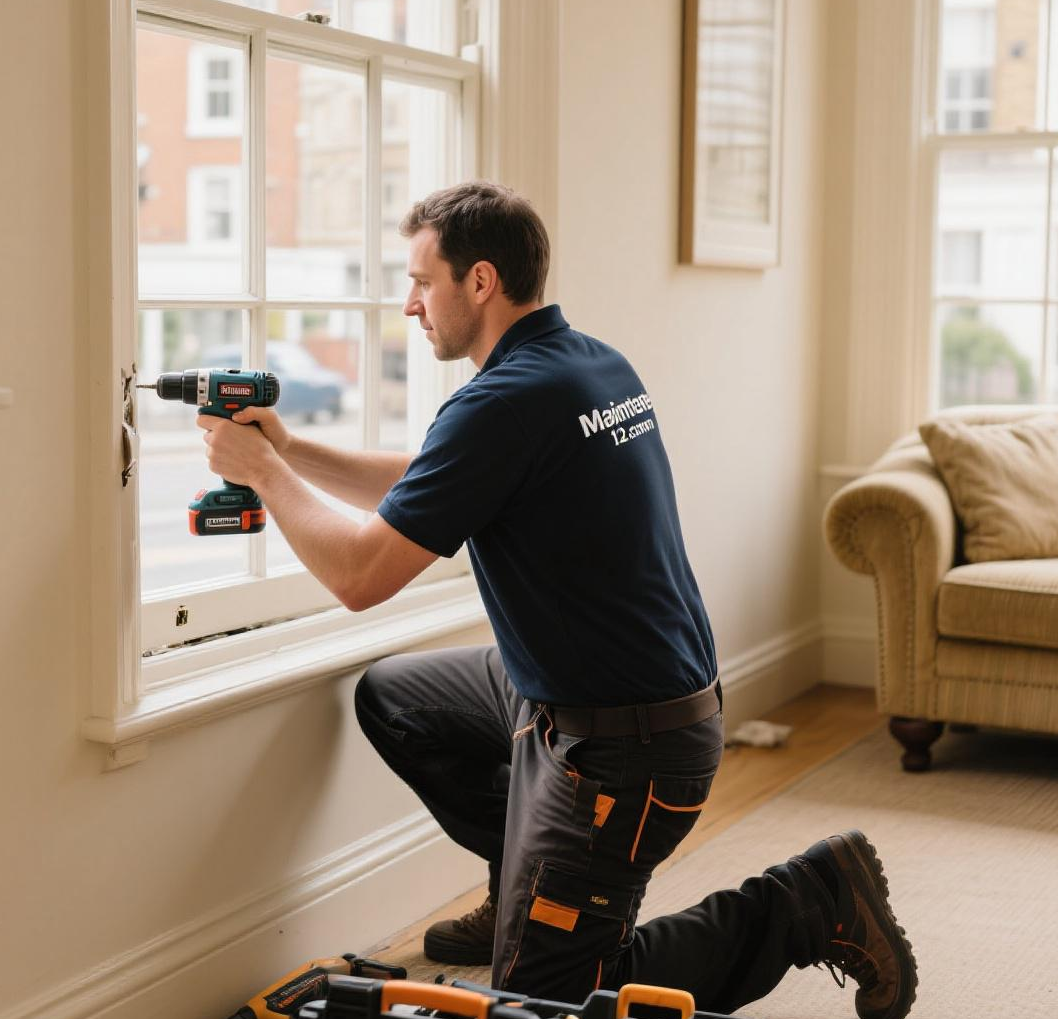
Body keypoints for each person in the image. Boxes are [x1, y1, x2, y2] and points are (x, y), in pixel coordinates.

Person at [198, 181, 918, 1019]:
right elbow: (437, 481)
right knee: (396, 699)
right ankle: (529, 881)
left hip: (629, 748)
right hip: (592, 693)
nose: (408, 305)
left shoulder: (501, 402)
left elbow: (359, 576)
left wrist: (262, 474)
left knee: (546, 1007)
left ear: (479, 281)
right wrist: (292, 450)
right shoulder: (586, 364)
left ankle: (810, 898)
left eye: (421, 281)